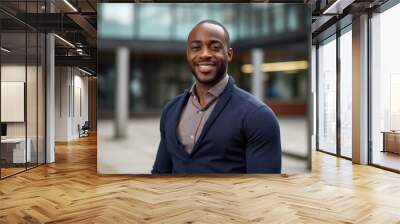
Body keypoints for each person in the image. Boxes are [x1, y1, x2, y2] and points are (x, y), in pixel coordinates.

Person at [152, 20, 281, 174]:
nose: (205, 54)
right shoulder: (171, 110)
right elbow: (160, 173)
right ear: (188, 54)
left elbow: (263, 190)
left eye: (214, 47)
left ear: (229, 54)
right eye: (196, 48)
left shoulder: (258, 116)